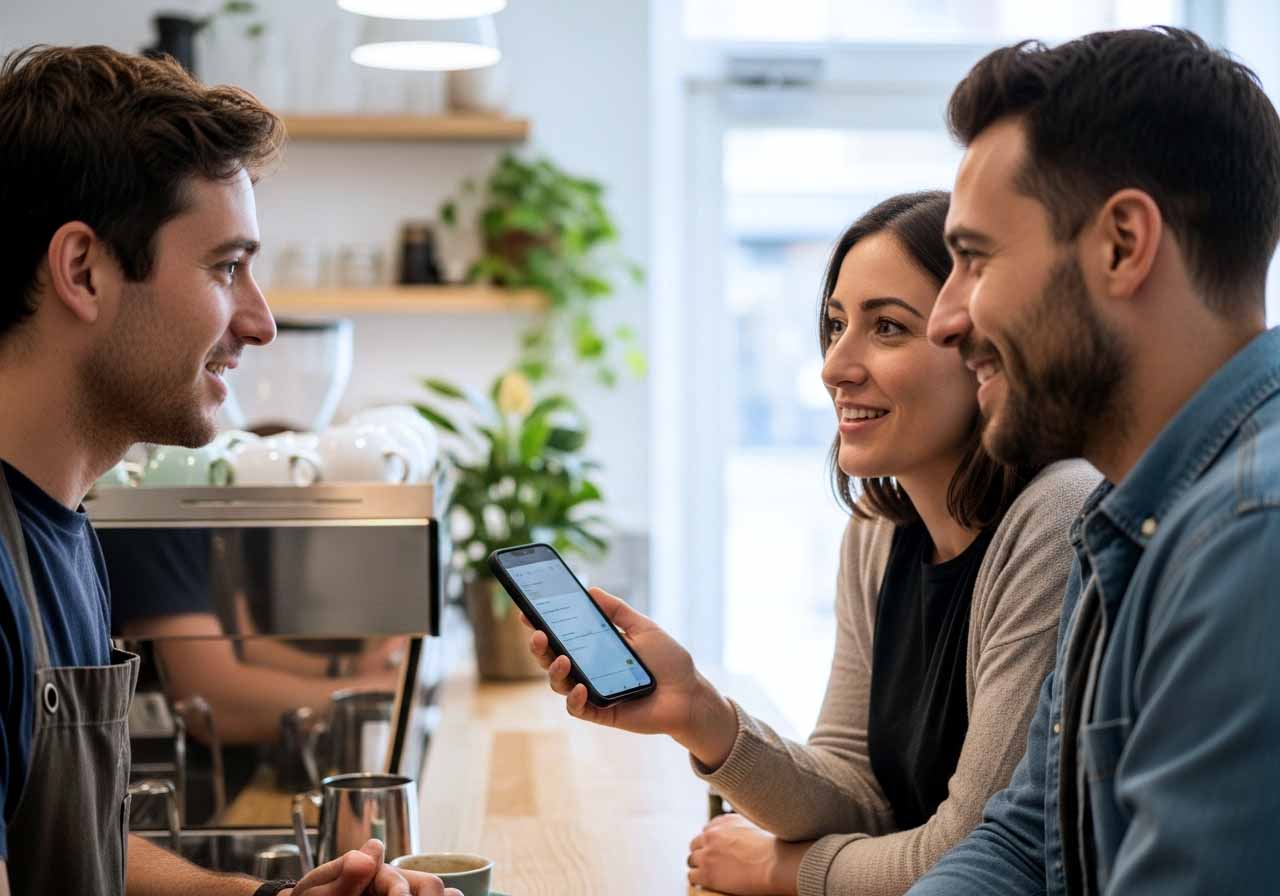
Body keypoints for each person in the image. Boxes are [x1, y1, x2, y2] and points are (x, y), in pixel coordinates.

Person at [528, 192, 1099, 895]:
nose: (835, 366)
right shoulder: (878, 534)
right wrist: (699, 713)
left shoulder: (1057, 515)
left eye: (887, 327)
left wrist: (786, 870)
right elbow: (858, 794)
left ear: (981, 347)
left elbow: (978, 854)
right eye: (835, 324)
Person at [0, 45, 456, 896]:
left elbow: (75, 841)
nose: (261, 322)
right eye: (225, 267)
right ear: (82, 271)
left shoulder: (61, 533)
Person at [911, 27, 1280, 895]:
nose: (945, 319)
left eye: (973, 260)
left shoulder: (1250, 539)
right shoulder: (1125, 511)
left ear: (1121, 244)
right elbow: (1027, 839)